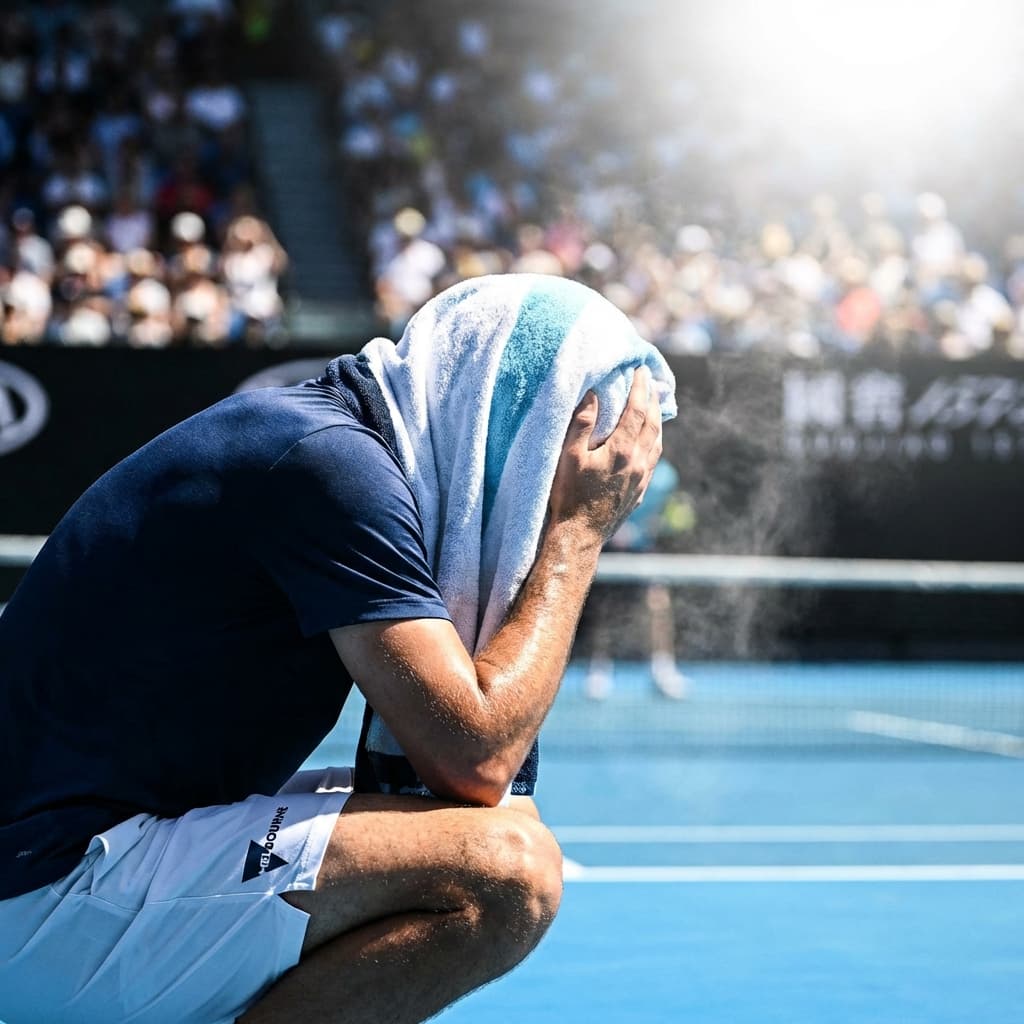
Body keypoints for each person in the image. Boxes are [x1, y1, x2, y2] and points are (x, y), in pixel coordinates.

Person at [0, 275, 672, 1024]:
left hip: (54, 864)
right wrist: (575, 534)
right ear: (504, 411)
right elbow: (474, 756)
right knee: (510, 872)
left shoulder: (316, 439)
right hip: (38, 895)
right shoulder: (330, 469)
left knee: (477, 835)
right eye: (553, 448)